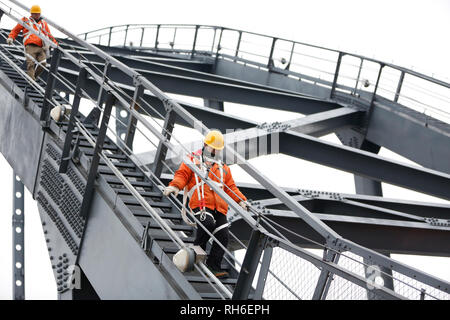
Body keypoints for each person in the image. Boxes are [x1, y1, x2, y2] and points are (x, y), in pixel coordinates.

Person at [164, 130, 250, 279]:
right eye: (213, 147)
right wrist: (175, 186)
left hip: (219, 208)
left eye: (218, 148)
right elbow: (182, 174)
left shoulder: (223, 168)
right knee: (208, 224)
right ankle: (194, 253)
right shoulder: (193, 160)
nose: (215, 151)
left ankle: (213, 266)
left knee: (223, 237)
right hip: (201, 204)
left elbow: (231, 188)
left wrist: (241, 200)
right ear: (205, 145)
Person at [7, 5, 58, 80]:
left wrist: (56, 44)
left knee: (43, 63)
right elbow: (16, 30)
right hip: (30, 46)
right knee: (31, 64)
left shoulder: (43, 23)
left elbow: (49, 35)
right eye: (35, 13)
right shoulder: (25, 20)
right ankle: (31, 80)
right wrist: (11, 37)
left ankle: (33, 78)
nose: (37, 15)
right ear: (31, 14)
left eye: (38, 13)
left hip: (41, 47)